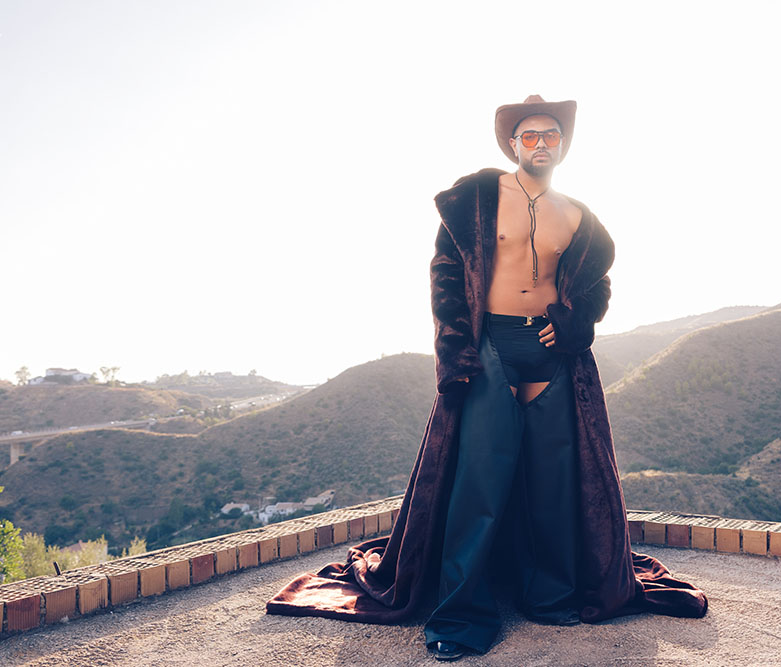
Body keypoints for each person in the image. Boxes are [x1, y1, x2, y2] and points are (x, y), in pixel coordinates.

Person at [266, 96, 708, 661]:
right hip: (489, 344)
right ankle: (461, 617)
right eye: (531, 136)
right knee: (480, 483)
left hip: (550, 353)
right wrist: (455, 354)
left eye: (551, 135)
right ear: (513, 143)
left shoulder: (578, 216)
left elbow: (597, 285)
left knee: (554, 483)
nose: (542, 143)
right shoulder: (477, 198)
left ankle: (551, 597)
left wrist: (574, 325)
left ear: (564, 143)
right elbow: (445, 277)